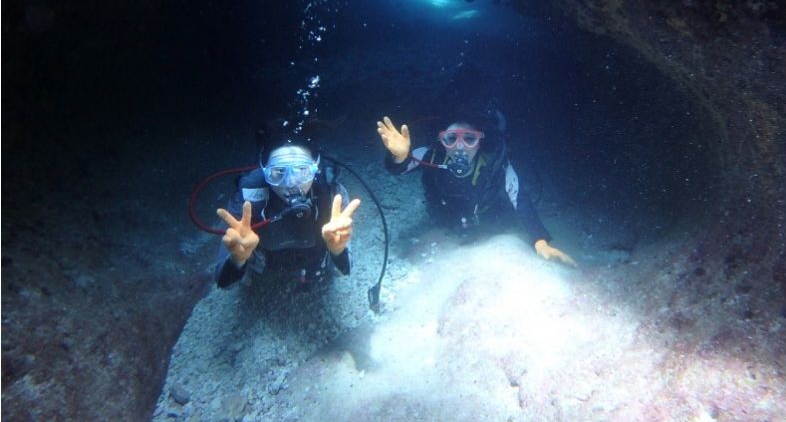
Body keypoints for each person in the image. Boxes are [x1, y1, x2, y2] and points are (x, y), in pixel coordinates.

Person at [376, 114, 576, 266]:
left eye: (469, 139)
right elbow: (399, 169)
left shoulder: (495, 165)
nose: (460, 147)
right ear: (442, 142)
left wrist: (540, 241)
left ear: (480, 142)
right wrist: (399, 157)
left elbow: (520, 199)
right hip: (445, 216)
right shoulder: (431, 155)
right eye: (451, 138)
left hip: (487, 218)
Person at [214, 143, 361, 288]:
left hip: (315, 260)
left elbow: (344, 270)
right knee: (240, 279)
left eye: (302, 170)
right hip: (264, 263)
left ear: (315, 169)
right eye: (278, 172)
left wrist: (338, 250)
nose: (290, 183)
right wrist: (237, 259)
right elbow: (223, 283)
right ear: (265, 172)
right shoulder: (246, 200)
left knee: (338, 272)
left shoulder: (332, 194)